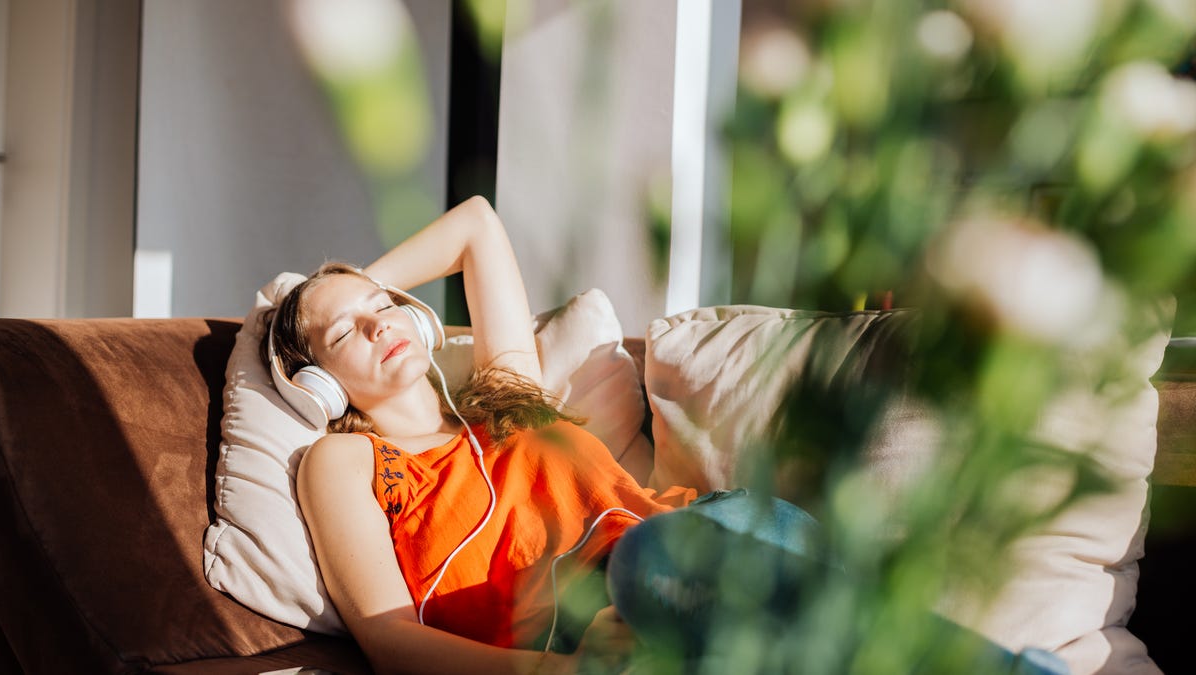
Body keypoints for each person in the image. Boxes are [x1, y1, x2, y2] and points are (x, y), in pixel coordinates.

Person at [265, 196, 1069, 675]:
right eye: (344, 334)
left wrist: (356, 288)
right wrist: (562, 669)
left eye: (382, 307)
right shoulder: (344, 459)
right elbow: (387, 638)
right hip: (610, 608)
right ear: (320, 383)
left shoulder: (502, 396)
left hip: (720, 533)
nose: (377, 327)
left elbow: (477, 225)